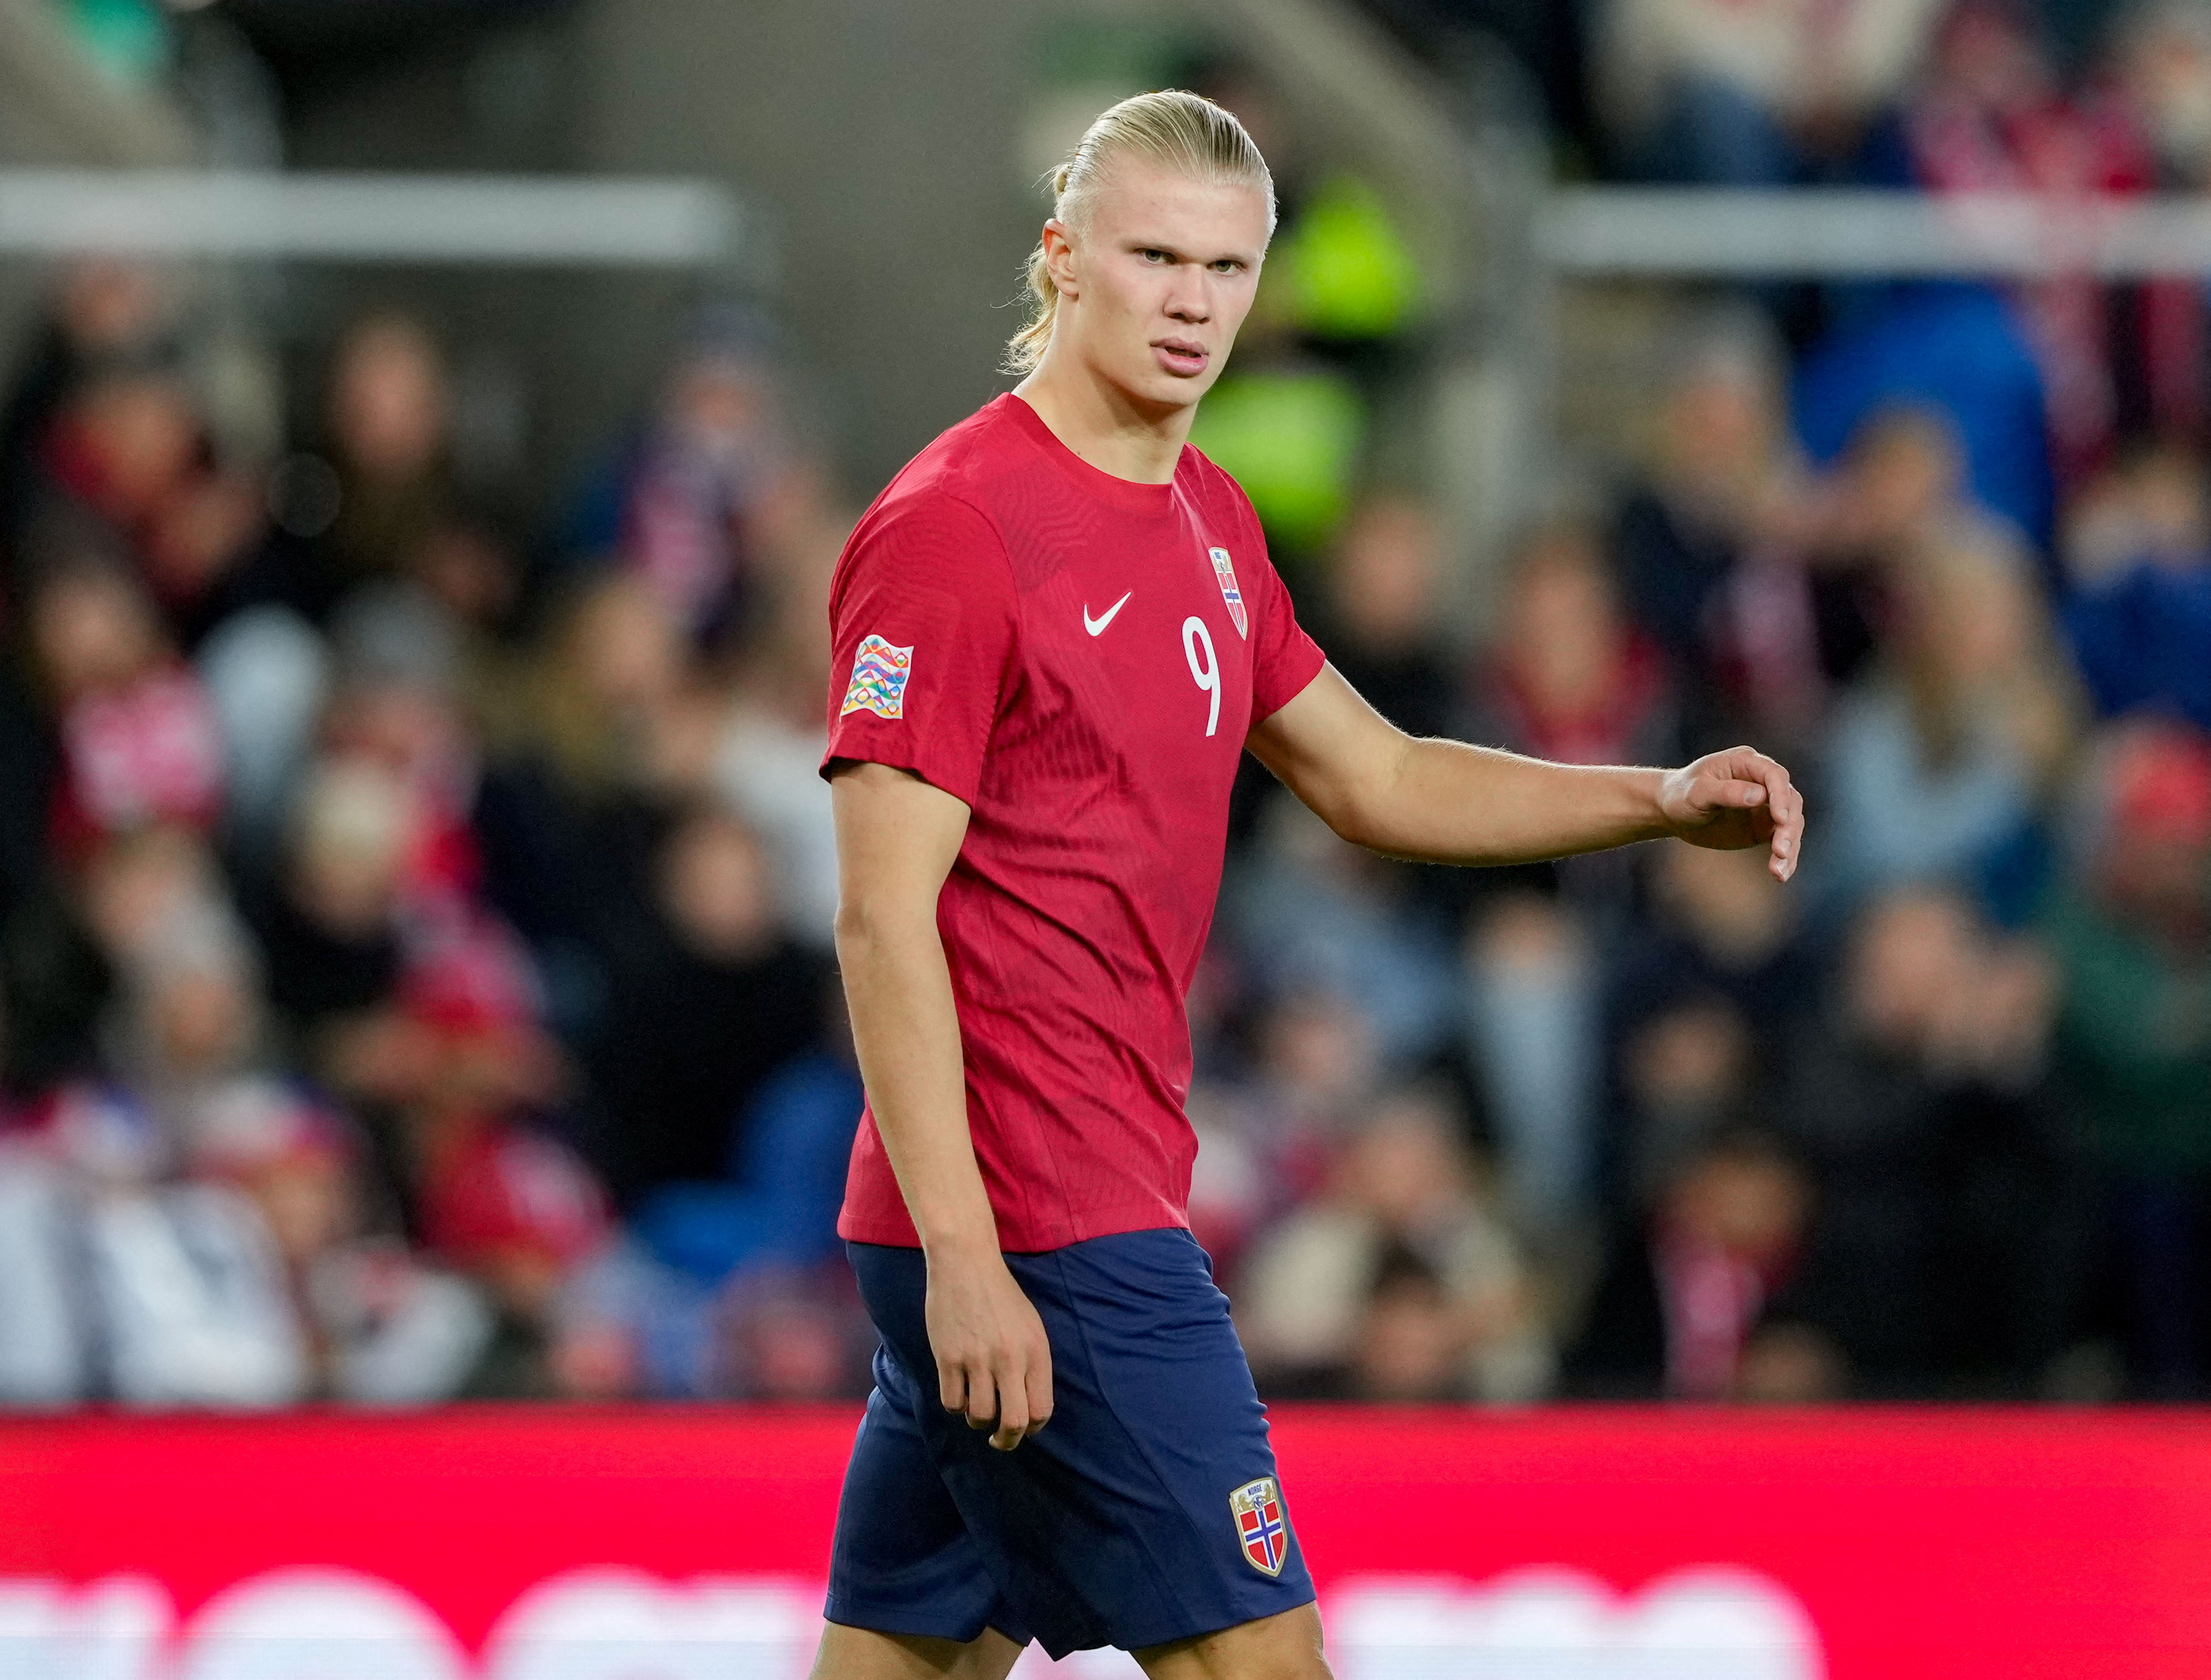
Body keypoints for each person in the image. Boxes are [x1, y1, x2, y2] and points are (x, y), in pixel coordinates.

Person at [811, 90, 1805, 1680]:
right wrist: (964, 1252)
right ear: (1060, 260)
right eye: (1154, 258)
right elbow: (879, 915)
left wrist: (1653, 798)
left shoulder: (1207, 519)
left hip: (1049, 1203)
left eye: (1228, 267)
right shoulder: (954, 531)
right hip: (1040, 1218)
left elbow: (1376, 772)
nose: (1194, 302)